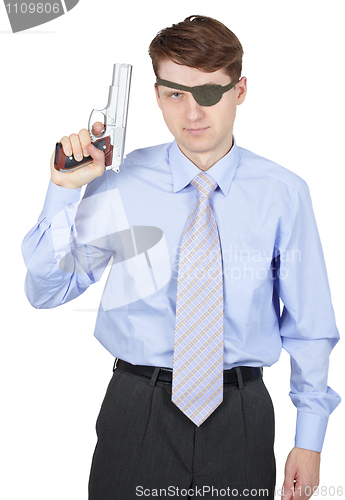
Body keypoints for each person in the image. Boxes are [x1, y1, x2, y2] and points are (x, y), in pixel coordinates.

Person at [21, 15, 340, 500]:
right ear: (156, 95)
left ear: (240, 90)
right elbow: (46, 291)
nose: (193, 112)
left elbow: (309, 322)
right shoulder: (121, 180)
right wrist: (63, 192)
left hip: (241, 416)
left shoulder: (284, 194)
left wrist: (310, 437)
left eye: (210, 93)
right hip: (137, 411)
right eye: (176, 94)